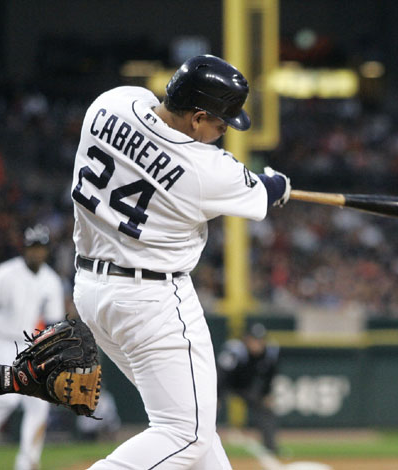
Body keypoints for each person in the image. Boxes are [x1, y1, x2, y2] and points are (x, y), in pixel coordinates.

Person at [70, 54, 290, 469]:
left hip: (91, 292)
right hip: (151, 300)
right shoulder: (206, 168)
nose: (224, 132)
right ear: (198, 117)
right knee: (186, 433)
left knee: (195, 426)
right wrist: (279, 185)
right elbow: (265, 191)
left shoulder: (110, 103)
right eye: (221, 123)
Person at [0, 224, 66, 470]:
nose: (36, 252)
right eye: (33, 247)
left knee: (38, 402)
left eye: (41, 247)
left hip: (27, 346)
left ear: (46, 250)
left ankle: (27, 462)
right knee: (7, 399)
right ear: (25, 248)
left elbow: (52, 323)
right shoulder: (5, 273)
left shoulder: (51, 281)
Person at [217, 323, 280, 453]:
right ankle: (203, 443)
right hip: (225, 385)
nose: (257, 343)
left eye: (260, 340)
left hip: (245, 387)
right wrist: (216, 396)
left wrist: (266, 394)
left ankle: (271, 447)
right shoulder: (235, 351)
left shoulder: (269, 352)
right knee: (210, 409)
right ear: (246, 339)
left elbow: (270, 376)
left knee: (265, 409)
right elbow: (221, 375)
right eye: (254, 339)